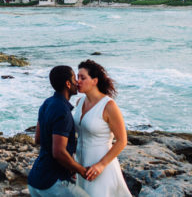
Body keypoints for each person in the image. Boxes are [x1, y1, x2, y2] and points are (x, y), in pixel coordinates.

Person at [28, 66, 90, 197]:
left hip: (35, 180)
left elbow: (38, 139)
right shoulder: (63, 111)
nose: (77, 82)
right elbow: (59, 153)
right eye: (74, 78)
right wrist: (81, 170)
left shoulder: (46, 103)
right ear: (68, 84)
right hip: (53, 182)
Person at [73, 60, 130, 196]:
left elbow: (122, 141)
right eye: (77, 77)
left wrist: (101, 165)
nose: (78, 81)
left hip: (101, 166)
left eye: (83, 77)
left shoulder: (109, 105)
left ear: (94, 81)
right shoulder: (79, 102)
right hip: (81, 164)